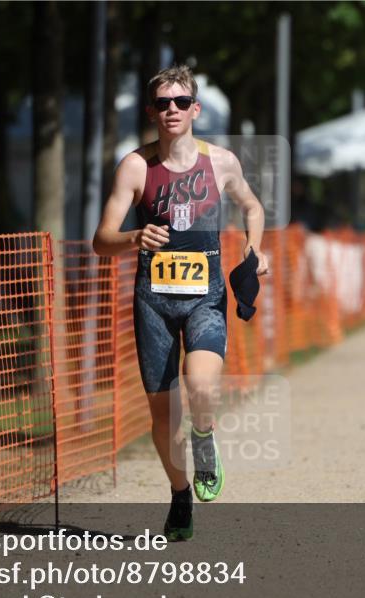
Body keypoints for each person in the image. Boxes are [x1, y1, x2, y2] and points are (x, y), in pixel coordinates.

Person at [92, 65, 268, 541]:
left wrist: (255, 249)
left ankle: (205, 437)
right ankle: (179, 493)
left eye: (180, 102)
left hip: (206, 299)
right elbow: (101, 240)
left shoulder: (221, 163)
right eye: (163, 102)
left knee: (201, 387)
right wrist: (133, 236)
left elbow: (252, 206)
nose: (172, 109)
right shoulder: (135, 167)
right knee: (163, 417)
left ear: (196, 109)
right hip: (153, 304)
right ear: (152, 111)